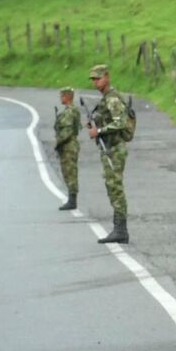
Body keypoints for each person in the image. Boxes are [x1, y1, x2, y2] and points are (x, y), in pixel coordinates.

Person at [88, 64, 131, 244]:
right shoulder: (106, 98)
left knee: (115, 187)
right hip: (109, 148)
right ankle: (118, 227)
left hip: (115, 148)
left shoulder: (112, 99)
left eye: (98, 78)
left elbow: (120, 123)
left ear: (107, 77)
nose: (96, 82)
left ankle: (120, 229)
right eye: (94, 80)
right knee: (111, 185)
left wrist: (100, 131)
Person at [54, 87, 80, 211]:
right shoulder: (68, 111)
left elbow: (68, 131)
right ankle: (71, 198)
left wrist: (58, 142)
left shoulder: (70, 112)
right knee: (67, 172)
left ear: (67, 97)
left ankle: (72, 200)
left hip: (69, 145)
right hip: (67, 145)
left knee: (70, 172)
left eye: (62, 95)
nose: (61, 98)